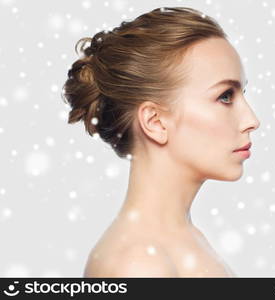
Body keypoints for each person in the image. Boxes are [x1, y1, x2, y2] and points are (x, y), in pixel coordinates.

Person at [61, 6, 260, 277]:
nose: (251, 120)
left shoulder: (183, 239)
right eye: (225, 96)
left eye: (242, 93)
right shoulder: (138, 264)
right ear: (155, 122)